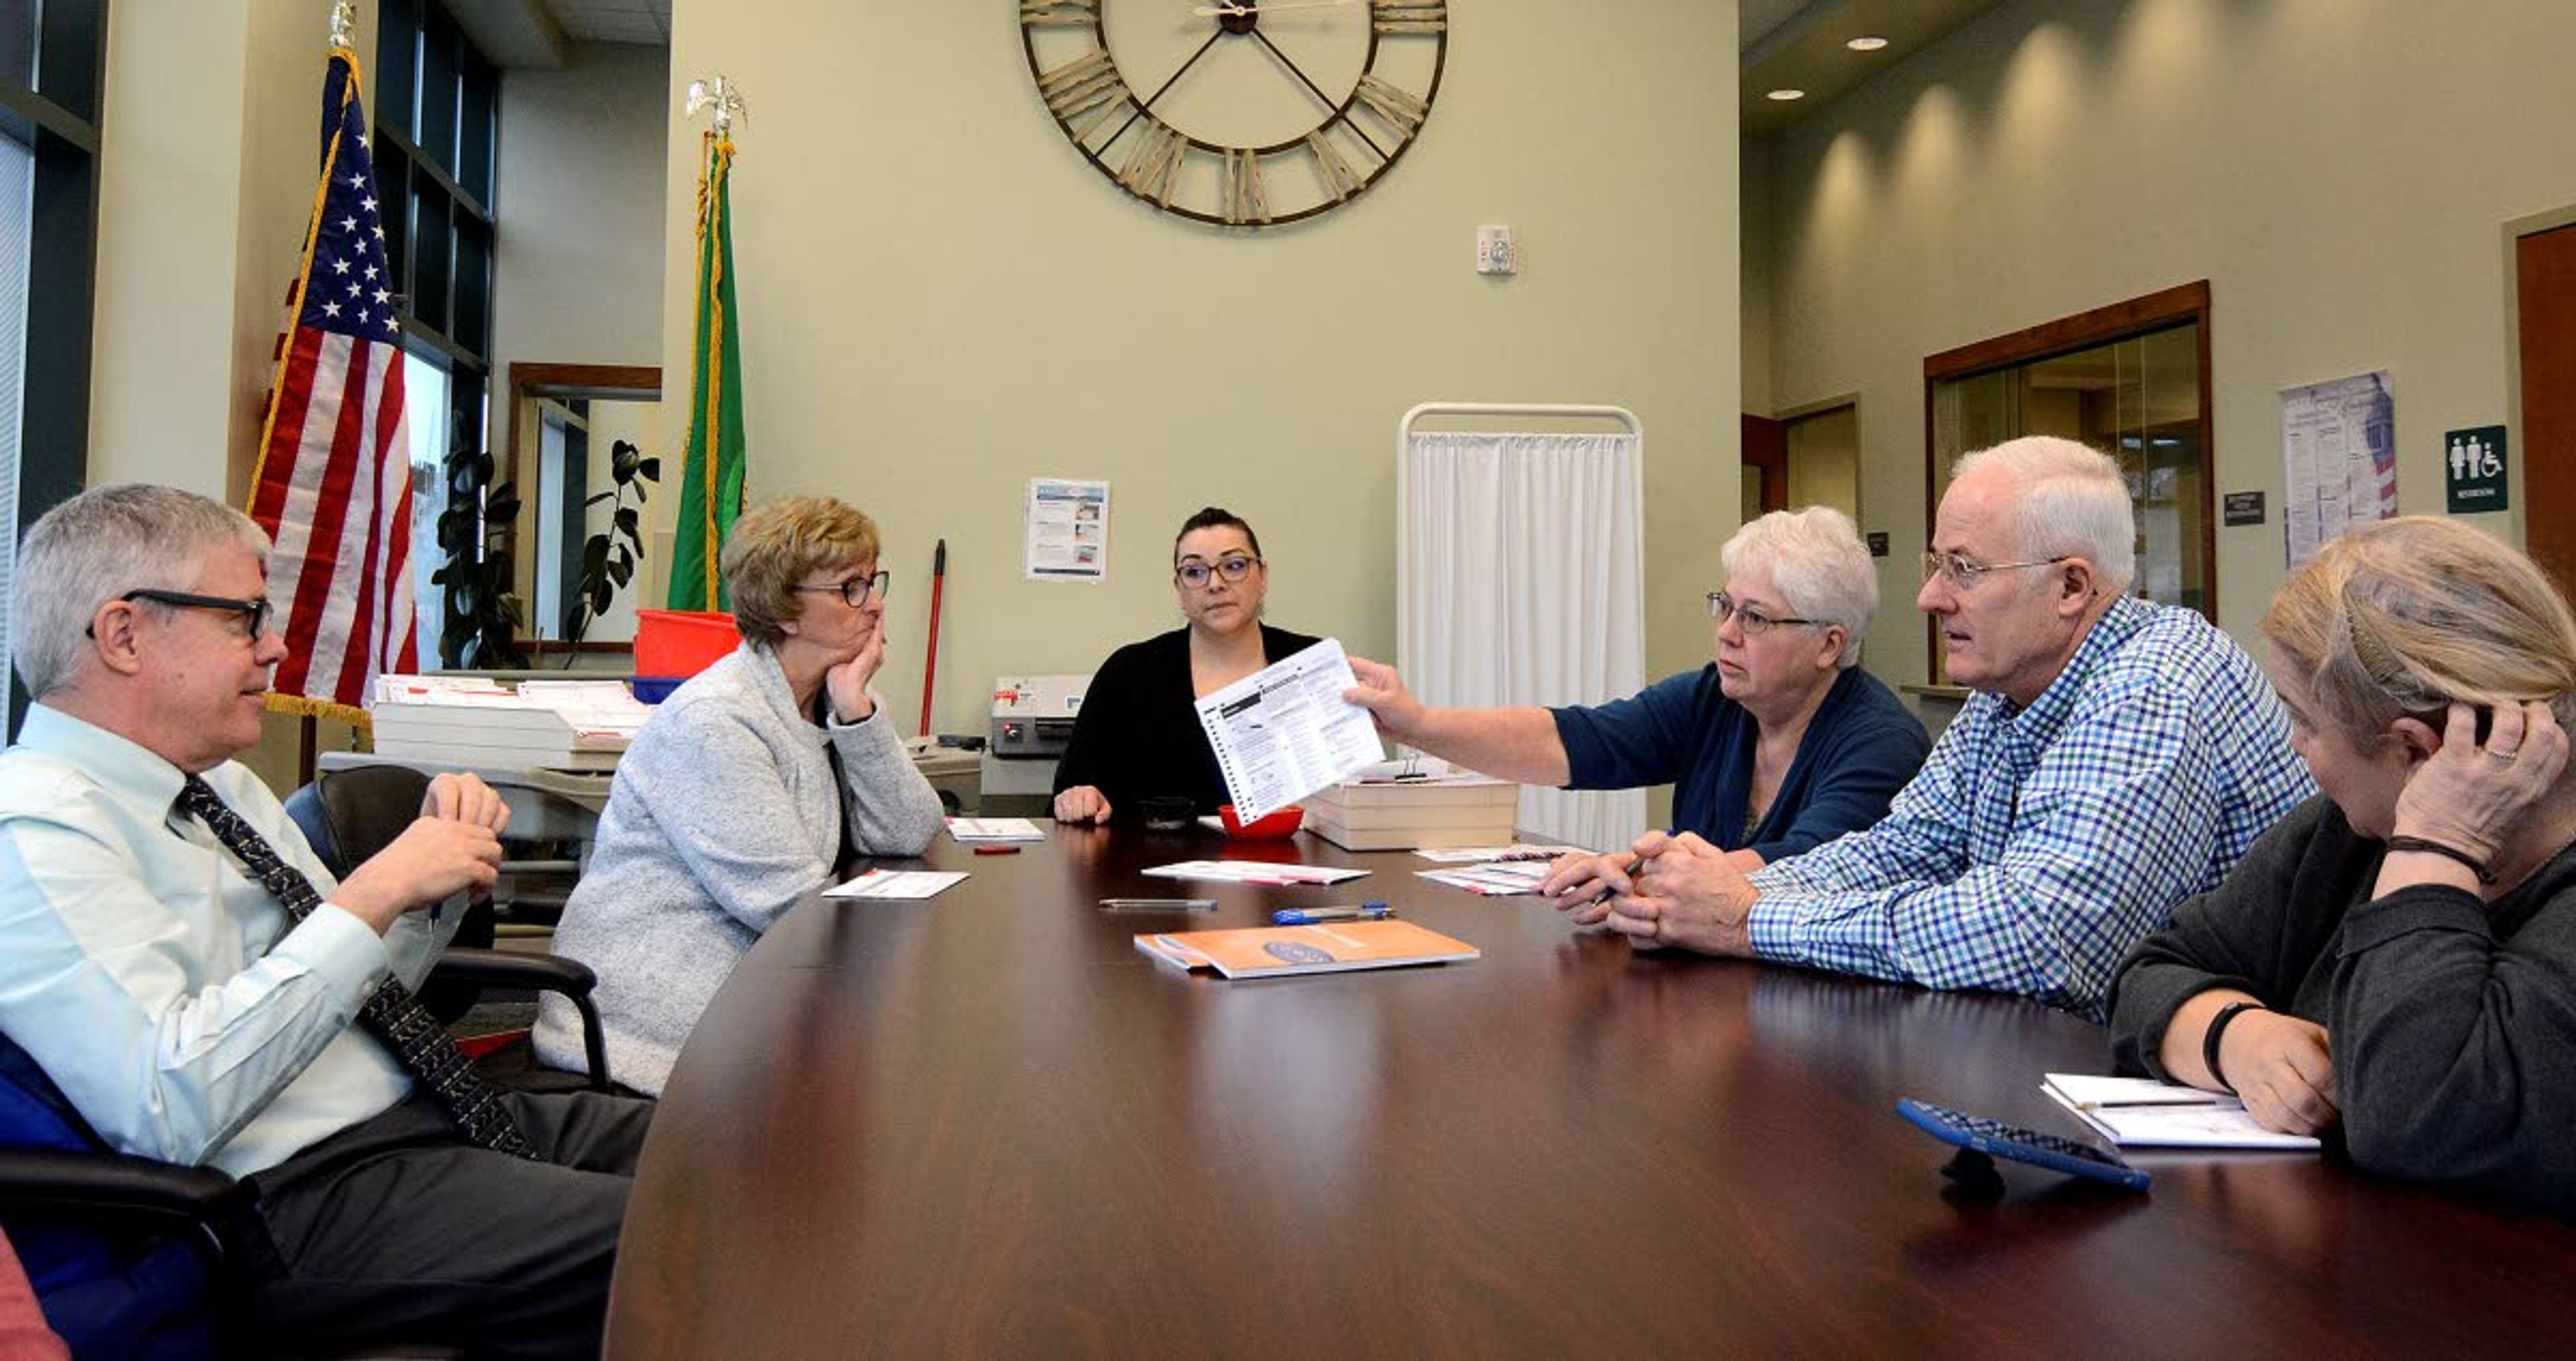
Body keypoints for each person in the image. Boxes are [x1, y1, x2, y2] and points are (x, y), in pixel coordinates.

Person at [0, 484, 651, 1358]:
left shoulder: (221, 787)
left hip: (426, 1113)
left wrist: (432, 895)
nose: (275, 647)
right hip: (297, 1194)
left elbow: (349, 991)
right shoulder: (35, 829)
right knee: (697, 1240)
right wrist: (372, 893)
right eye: (244, 618)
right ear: (123, 634)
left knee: (733, 1152)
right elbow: (167, 1109)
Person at [1561, 437, 2314, 1020]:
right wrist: (1697, 889)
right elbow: (1905, 849)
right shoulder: (2006, 692)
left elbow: (2036, 939)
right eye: (1936, 564)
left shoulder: (2152, 684)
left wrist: (1748, 915)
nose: (1928, 596)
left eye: (1963, 569)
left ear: (2071, 586)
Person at [2110, 519, 2576, 1213]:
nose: (2295, 747)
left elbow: (2417, 1117)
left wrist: (2438, 843)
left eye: (2303, 721)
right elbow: (2151, 971)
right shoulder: (2344, 833)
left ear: (2417, 753)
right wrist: (2232, 1036)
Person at [536, 496, 945, 1097]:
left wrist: (857, 713)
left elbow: (910, 831)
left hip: (762, 1002)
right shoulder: (715, 719)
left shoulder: (834, 696)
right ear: (785, 611)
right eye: (851, 587)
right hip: (651, 1031)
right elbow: (790, 907)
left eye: (872, 580)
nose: (876, 603)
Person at [1344, 506, 1929, 867]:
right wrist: (1417, 722)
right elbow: (1576, 741)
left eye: (1755, 617)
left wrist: (1637, 870)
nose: (1726, 633)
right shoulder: (1715, 699)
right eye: (1725, 607)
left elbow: (1803, 868)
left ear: (1830, 644)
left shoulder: (1881, 743)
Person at [1052, 506, 1320, 822]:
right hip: (1151, 866)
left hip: (1294, 865)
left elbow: (1351, 792)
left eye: (1234, 566)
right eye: (1195, 572)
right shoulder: (1129, 673)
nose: (1215, 583)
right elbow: (1070, 791)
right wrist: (1078, 799)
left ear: (1263, 577)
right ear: (1179, 590)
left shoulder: (1310, 663)